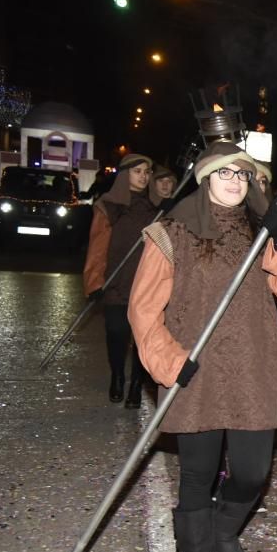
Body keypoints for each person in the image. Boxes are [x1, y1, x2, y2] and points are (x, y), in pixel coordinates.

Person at [128, 142, 277, 552]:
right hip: (196, 369)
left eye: (242, 174)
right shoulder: (171, 232)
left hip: (253, 365)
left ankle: (224, 531)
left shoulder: (259, 228)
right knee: (197, 475)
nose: (234, 180)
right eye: (224, 172)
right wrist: (169, 361)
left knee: (253, 472)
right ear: (205, 176)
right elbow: (144, 310)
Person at [83, 153, 160, 408]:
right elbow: (97, 246)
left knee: (142, 337)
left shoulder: (155, 207)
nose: (144, 176)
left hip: (146, 283)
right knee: (116, 332)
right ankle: (117, 375)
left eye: (147, 172)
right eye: (138, 171)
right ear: (125, 174)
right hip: (116, 280)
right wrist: (94, 282)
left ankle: (137, 385)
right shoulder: (109, 206)